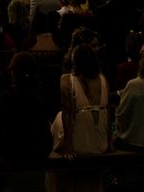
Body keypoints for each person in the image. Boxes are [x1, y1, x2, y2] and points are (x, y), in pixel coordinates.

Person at [47, 44, 110, 192]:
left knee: (59, 117)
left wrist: (68, 145)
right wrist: (109, 142)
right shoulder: (103, 80)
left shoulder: (67, 80)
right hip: (100, 142)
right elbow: (108, 113)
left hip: (79, 144)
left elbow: (67, 114)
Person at [0, 52, 52, 160]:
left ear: (14, 72)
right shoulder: (40, 95)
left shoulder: (7, 96)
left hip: (12, 149)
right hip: (37, 148)